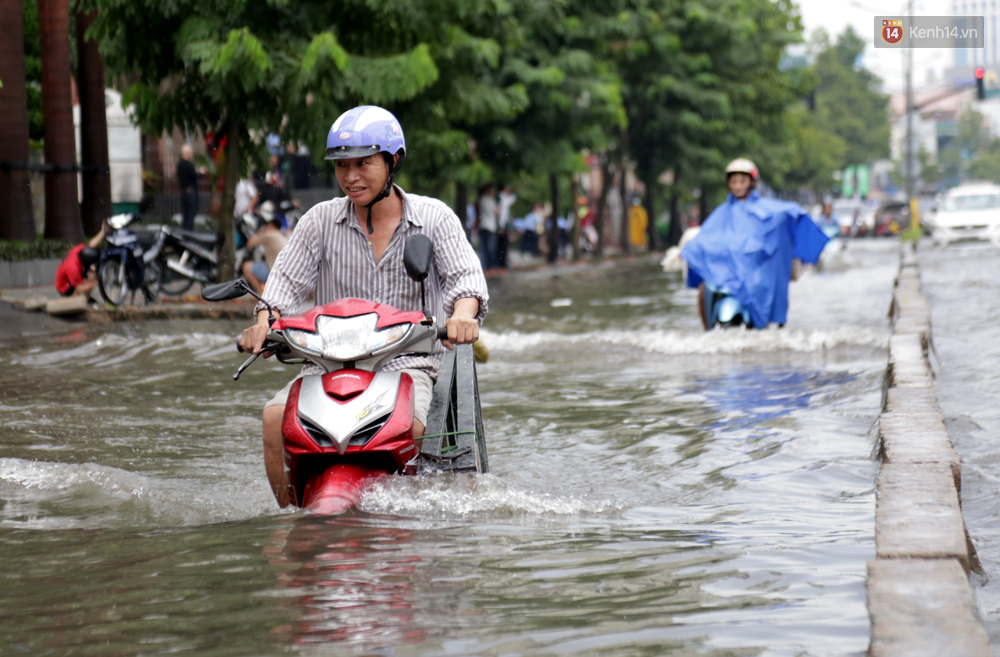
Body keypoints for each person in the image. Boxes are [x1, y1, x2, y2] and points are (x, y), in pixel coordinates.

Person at [239, 105, 488, 508]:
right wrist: (263, 323)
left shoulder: (434, 218)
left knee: (417, 427)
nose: (350, 176)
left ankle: (420, 513)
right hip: (326, 364)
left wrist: (462, 316)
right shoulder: (319, 222)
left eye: (362, 164)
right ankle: (293, 517)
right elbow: (281, 288)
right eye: (342, 165)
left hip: (408, 363)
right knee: (273, 420)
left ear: (392, 162)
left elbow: (465, 281)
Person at [681, 158, 829, 330]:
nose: (737, 186)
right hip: (726, 273)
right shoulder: (722, 211)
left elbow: (787, 217)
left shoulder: (767, 208)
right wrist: (690, 249)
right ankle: (707, 333)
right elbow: (708, 237)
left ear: (752, 182)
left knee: (765, 288)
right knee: (703, 289)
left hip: (755, 270)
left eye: (742, 181)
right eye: (734, 181)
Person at [55, 224, 106, 298]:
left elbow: (91, 244)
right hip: (64, 288)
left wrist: (103, 232)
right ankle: (73, 301)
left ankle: (87, 299)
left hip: (75, 273)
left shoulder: (80, 250)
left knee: (92, 273)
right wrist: (98, 282)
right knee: (82, 286)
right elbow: (79, 288)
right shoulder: (73, 266)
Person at [241, 218, 288, 294]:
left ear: (271, 225)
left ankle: (260, 294)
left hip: (274, 272)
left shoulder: (268, 235)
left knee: (246, 266)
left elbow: (250, 243)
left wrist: (261, 231)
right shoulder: (282, 235)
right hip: (285, 272)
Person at [176, 144, 201, 231]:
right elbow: (195, 176)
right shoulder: (189, 165)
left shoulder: (179, 165)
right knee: (191, 213)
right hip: (191, 192)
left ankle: (184, 231)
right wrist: (201, 172)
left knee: (185, 213)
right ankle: (189, 233)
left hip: (183, 191)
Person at [476, 184, 499, 272]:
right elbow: (491, 212)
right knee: (487, 248)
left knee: (490, 248)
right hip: (486, 226)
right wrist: (495, 211)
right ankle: (486, 267)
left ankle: (490, 266)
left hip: (491, 227)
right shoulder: (484, 200)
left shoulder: (491, 200)